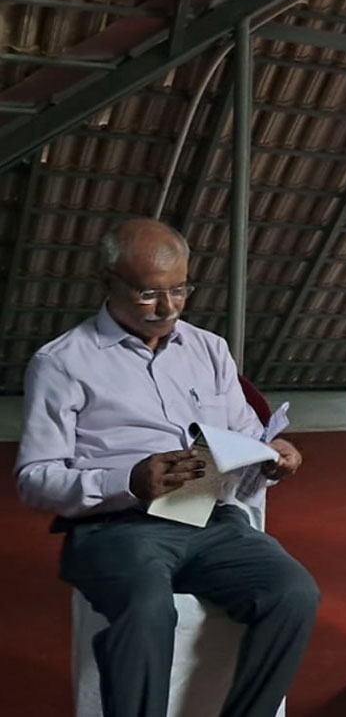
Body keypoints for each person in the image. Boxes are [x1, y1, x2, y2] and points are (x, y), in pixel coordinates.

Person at [15, 218, 319, 717]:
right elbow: (34, 479)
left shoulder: (209, 349)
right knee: (147, 607)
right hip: (115, 529)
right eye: (148, 294)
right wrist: (129, 482)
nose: (168, 308)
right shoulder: (62, 363)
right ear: (107, 282)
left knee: (293, 592)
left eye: (180, 290)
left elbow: (245, 432)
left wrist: (273, 454)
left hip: (211, 518)